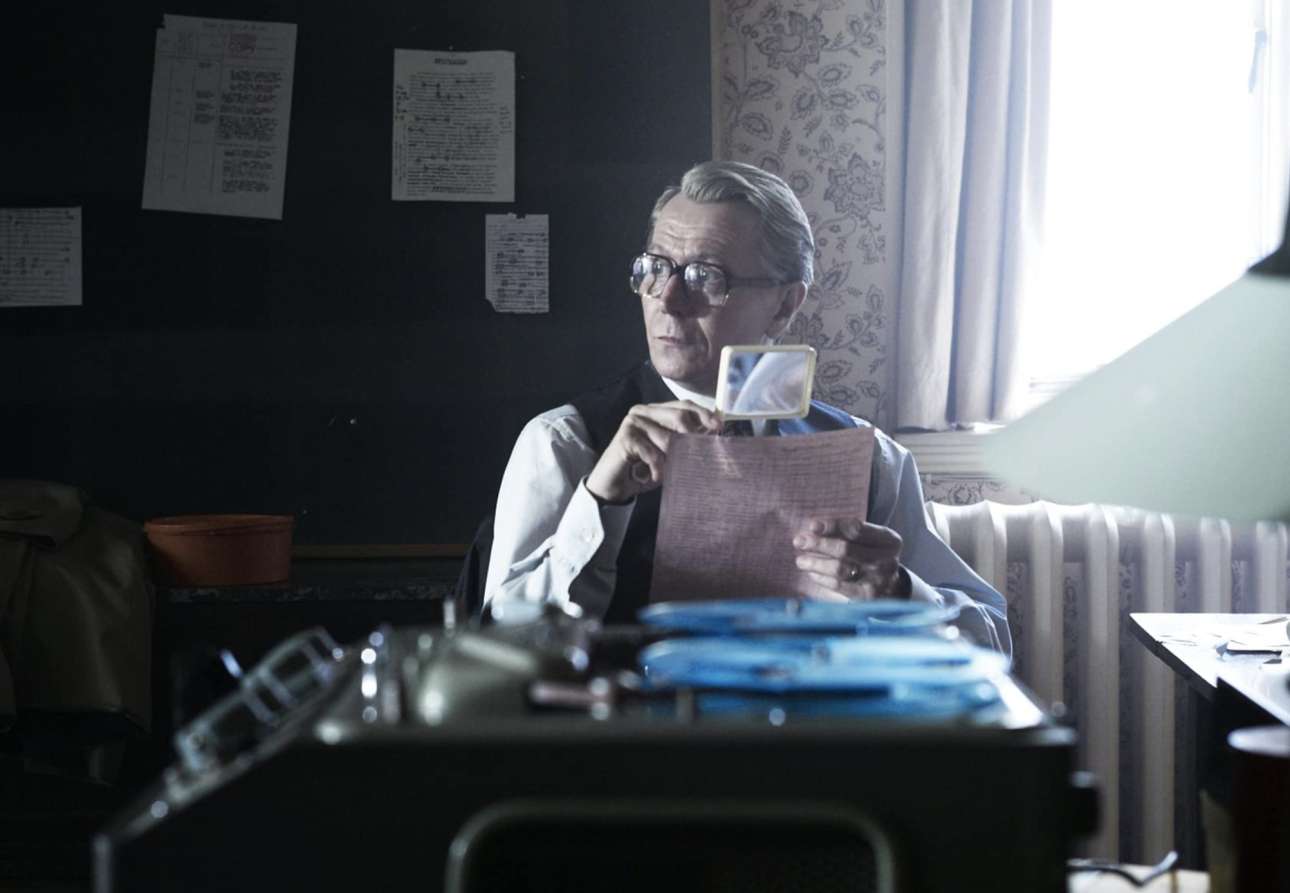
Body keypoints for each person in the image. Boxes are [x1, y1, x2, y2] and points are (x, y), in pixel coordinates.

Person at [483, 161, 1010, 655]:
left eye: (705, 276)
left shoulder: (871, 460)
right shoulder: (565, 442)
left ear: (785, 304)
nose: (667, 299)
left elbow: (991, 642)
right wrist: (598, 501)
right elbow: (498, 652)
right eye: (655, 268)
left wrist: (897, 593)